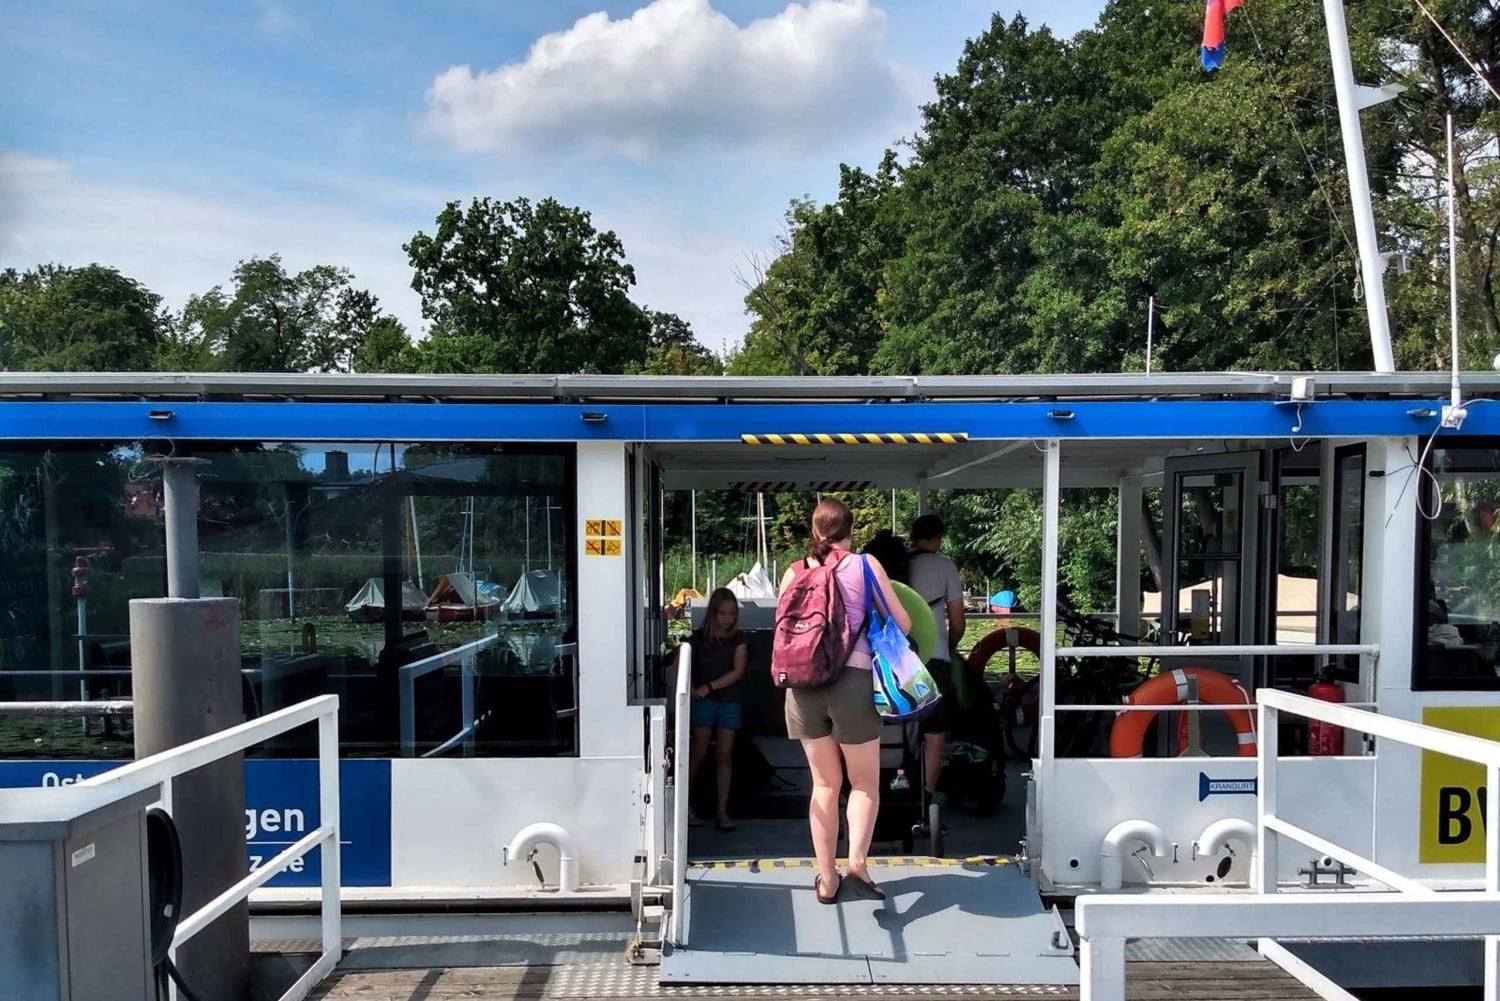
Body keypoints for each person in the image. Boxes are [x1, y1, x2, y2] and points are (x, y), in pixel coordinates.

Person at [779, 498, 910, 904]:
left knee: (823, 784)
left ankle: (826, 879)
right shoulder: (865, 565)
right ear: (850, 531)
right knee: (865, 782)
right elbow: (902, 623)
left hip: (801, 688)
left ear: (814, 531)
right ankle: (856, 861)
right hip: (852, 683)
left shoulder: (793, 572)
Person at [906, 513, 966, 800]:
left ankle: (893, 787)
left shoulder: (897, 564)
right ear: (937, 538)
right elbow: (957, 623)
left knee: (898, 727)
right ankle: (926, 796)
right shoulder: (945, 567)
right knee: (936, 731)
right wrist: (949, 647)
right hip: (935, 659)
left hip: (899, 660)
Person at [686, 588, 748, 831]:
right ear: (713, 613)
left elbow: (738, 671)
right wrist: (691, 689)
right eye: (723, 613)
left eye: (732, 614)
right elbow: (681, 660)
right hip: (705, 702)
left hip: (727, 700)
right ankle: (685, 804)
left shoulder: (739, 640)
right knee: (698, 752)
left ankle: (722, 811)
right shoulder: (697, 639)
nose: (728, 618)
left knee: (725, 755)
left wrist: (707, 688)